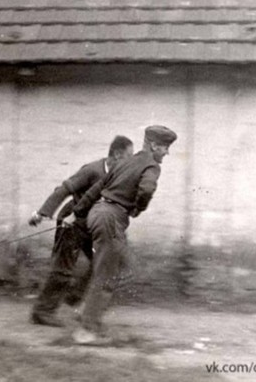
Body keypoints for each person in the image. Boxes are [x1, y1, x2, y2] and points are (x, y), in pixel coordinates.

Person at [64, 125, 177, 345]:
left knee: (126, 267)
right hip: (111, 219)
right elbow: (146, 190)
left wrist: (78, 213)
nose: (166, 153)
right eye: (165, 147)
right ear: (153, 145)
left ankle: (88, 312)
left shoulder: (123, 162)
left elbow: (97, 188)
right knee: (108, 274)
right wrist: (137, 208)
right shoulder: (152, 166)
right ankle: (87, 330)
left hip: (97, 213)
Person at [28, 136, 134, 327]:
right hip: (71, 222)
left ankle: (76, 299)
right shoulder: (92, 170)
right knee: (63, 267)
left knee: (101, 264)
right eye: (129, 156)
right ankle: (42, 312)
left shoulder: (118, 176)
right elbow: (64, 189)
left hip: (91, 225)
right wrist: (43, 213)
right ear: (117, 155)